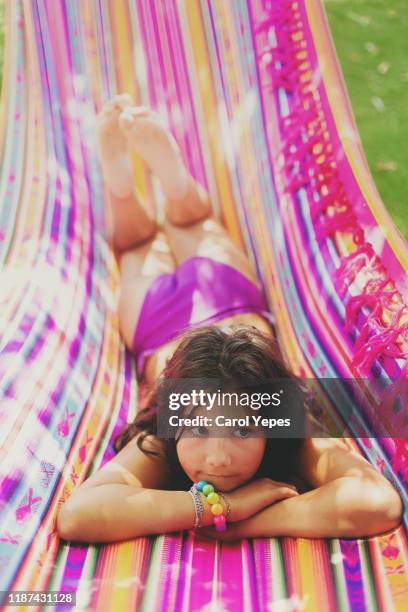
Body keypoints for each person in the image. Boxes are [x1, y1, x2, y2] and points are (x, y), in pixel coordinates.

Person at [56, 95, 403, 543]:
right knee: (184, 225)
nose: (217, 457)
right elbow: (76, 516)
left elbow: (379, 504)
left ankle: (134, 185)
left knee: (136, 244)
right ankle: (166, 183)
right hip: (220, 297)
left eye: (241, 428)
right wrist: (224, 507)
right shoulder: (169, 430)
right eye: (199, 428)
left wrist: (235, 519)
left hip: (158, 320)